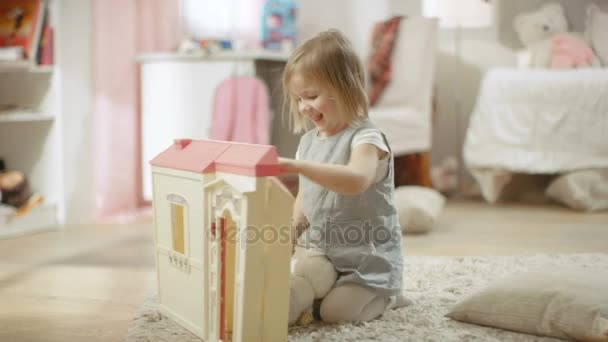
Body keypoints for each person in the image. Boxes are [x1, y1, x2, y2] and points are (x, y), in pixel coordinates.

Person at [279, 29, 411, 324]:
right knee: (291, 291)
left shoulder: (367, 139)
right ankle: (323, 293)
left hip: (366, 258)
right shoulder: (308, 143)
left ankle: (388, 296)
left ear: (346, 87)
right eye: (299, 99)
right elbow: (304, 198)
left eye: (311, 96)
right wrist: (289, 235)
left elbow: (356, 180)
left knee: (334, 314)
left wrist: (298, 167)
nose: (304, 107)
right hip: (323, 253)